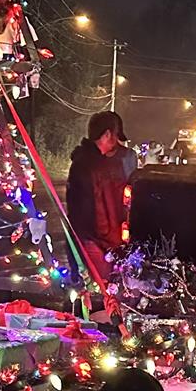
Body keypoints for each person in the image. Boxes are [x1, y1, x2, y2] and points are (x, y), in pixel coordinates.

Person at [67, 109, 128, 286]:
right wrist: (111, 243)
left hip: (87, 238)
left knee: (90, 291)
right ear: (107, 134)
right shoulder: (94, 166)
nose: (116, 142)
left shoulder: (84, 161)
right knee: (102, 293)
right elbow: (100, 208)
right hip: (94, 242)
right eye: (116, 136)